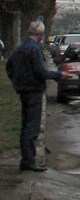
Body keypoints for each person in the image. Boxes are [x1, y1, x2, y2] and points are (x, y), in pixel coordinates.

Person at [9, 21, 62, 172]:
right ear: (40, 34)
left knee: (26, 125)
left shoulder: (21, 48)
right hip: (34, 91)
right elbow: (41, 72)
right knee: (32, 127)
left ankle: (27, 159)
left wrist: (17, 82)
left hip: (24, 90)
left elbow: (9, 67)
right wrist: (59, 75)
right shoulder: (34, 49)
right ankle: (29, 161)